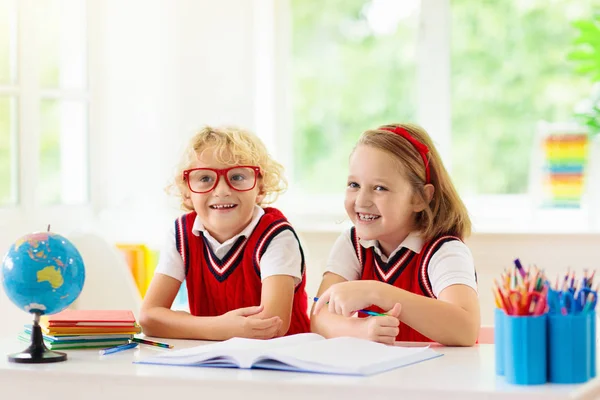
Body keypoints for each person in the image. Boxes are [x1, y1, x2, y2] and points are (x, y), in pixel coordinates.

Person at [311, 123, 479, 346]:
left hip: (436, 378)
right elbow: (319, 315)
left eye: (380, 188)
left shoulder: (444, 250)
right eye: (354, 184)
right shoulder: (353, 244)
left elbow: (466, 330)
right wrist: (359, 330)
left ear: (420, 197)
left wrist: (376, 292)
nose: (361, 201)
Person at [140, 126, 310, 340]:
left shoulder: (276, 235)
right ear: (186, 192)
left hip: (282, 361)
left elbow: (271, 324)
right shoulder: (181, 233)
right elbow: (149, 317)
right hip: (216, 360)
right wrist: (222, 328)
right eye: (205, 179)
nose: (221, 190)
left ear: (261, 188)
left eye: (237, 177)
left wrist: (190, 325)